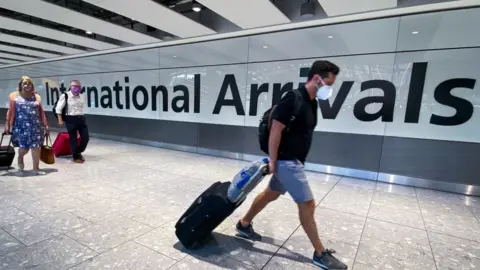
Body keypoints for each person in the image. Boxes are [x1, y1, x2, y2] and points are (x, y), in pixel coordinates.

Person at [236, 61, 348, 269]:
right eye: (329, 83)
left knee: (271, 193)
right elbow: (276, 131)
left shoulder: (312, 102)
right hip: (287, 161)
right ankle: (320, 253)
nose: (330, 88)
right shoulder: (292, 98)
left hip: (293, 160)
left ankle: (243, 224)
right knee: (307, 204)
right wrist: (273, 160)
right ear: (317, 78)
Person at [5, 76, 49, 173]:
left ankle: (36, 168)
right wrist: (8, 125)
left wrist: (45, 124)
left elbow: (41, 111)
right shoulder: (14, 96)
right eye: (25, 83)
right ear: (20, 85)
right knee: (24, 148)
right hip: (21, 127)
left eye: (29, 83)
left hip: (36, 126)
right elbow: (10, 111)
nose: (27, 85)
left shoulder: (37, 96)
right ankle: (20, 157)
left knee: (36, 147)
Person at [55, 80, 89, 163]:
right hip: (70, 119)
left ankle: (78, 151)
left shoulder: (82, 96)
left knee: (85, 138)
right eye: (75, 86)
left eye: (78, 86)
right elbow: (58, 108)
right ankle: (75, 156)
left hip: (81, 119)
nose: (77, 88)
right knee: (73, 138)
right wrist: (60, 119)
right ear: (71, 86)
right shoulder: (65, 95)